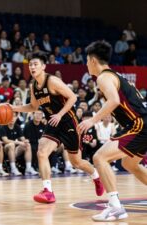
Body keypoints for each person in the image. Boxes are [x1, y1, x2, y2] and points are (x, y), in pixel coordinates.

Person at [11, 53, 104, 204]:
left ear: (43, 66)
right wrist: (13, 108)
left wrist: (60, 114)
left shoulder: (52, 81)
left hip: (68, 122)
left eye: (35, 64)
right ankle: (48, 191)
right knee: (41, 152)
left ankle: (96, 176)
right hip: (53, 123)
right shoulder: (33, 86)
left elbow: (73, 97)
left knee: (76, 162)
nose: (32, 67)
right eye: (30, 65)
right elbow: (33, 106)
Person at [78, 40, 147, 222]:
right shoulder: (114, 75)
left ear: (93, 61)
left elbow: (114, 101)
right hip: (141, 124)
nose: (86, 65)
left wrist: (92, 120)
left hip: (140, 124)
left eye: (86, 61)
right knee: (129, 164)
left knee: (99, 157)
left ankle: (116, 207)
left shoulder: (103, 77)